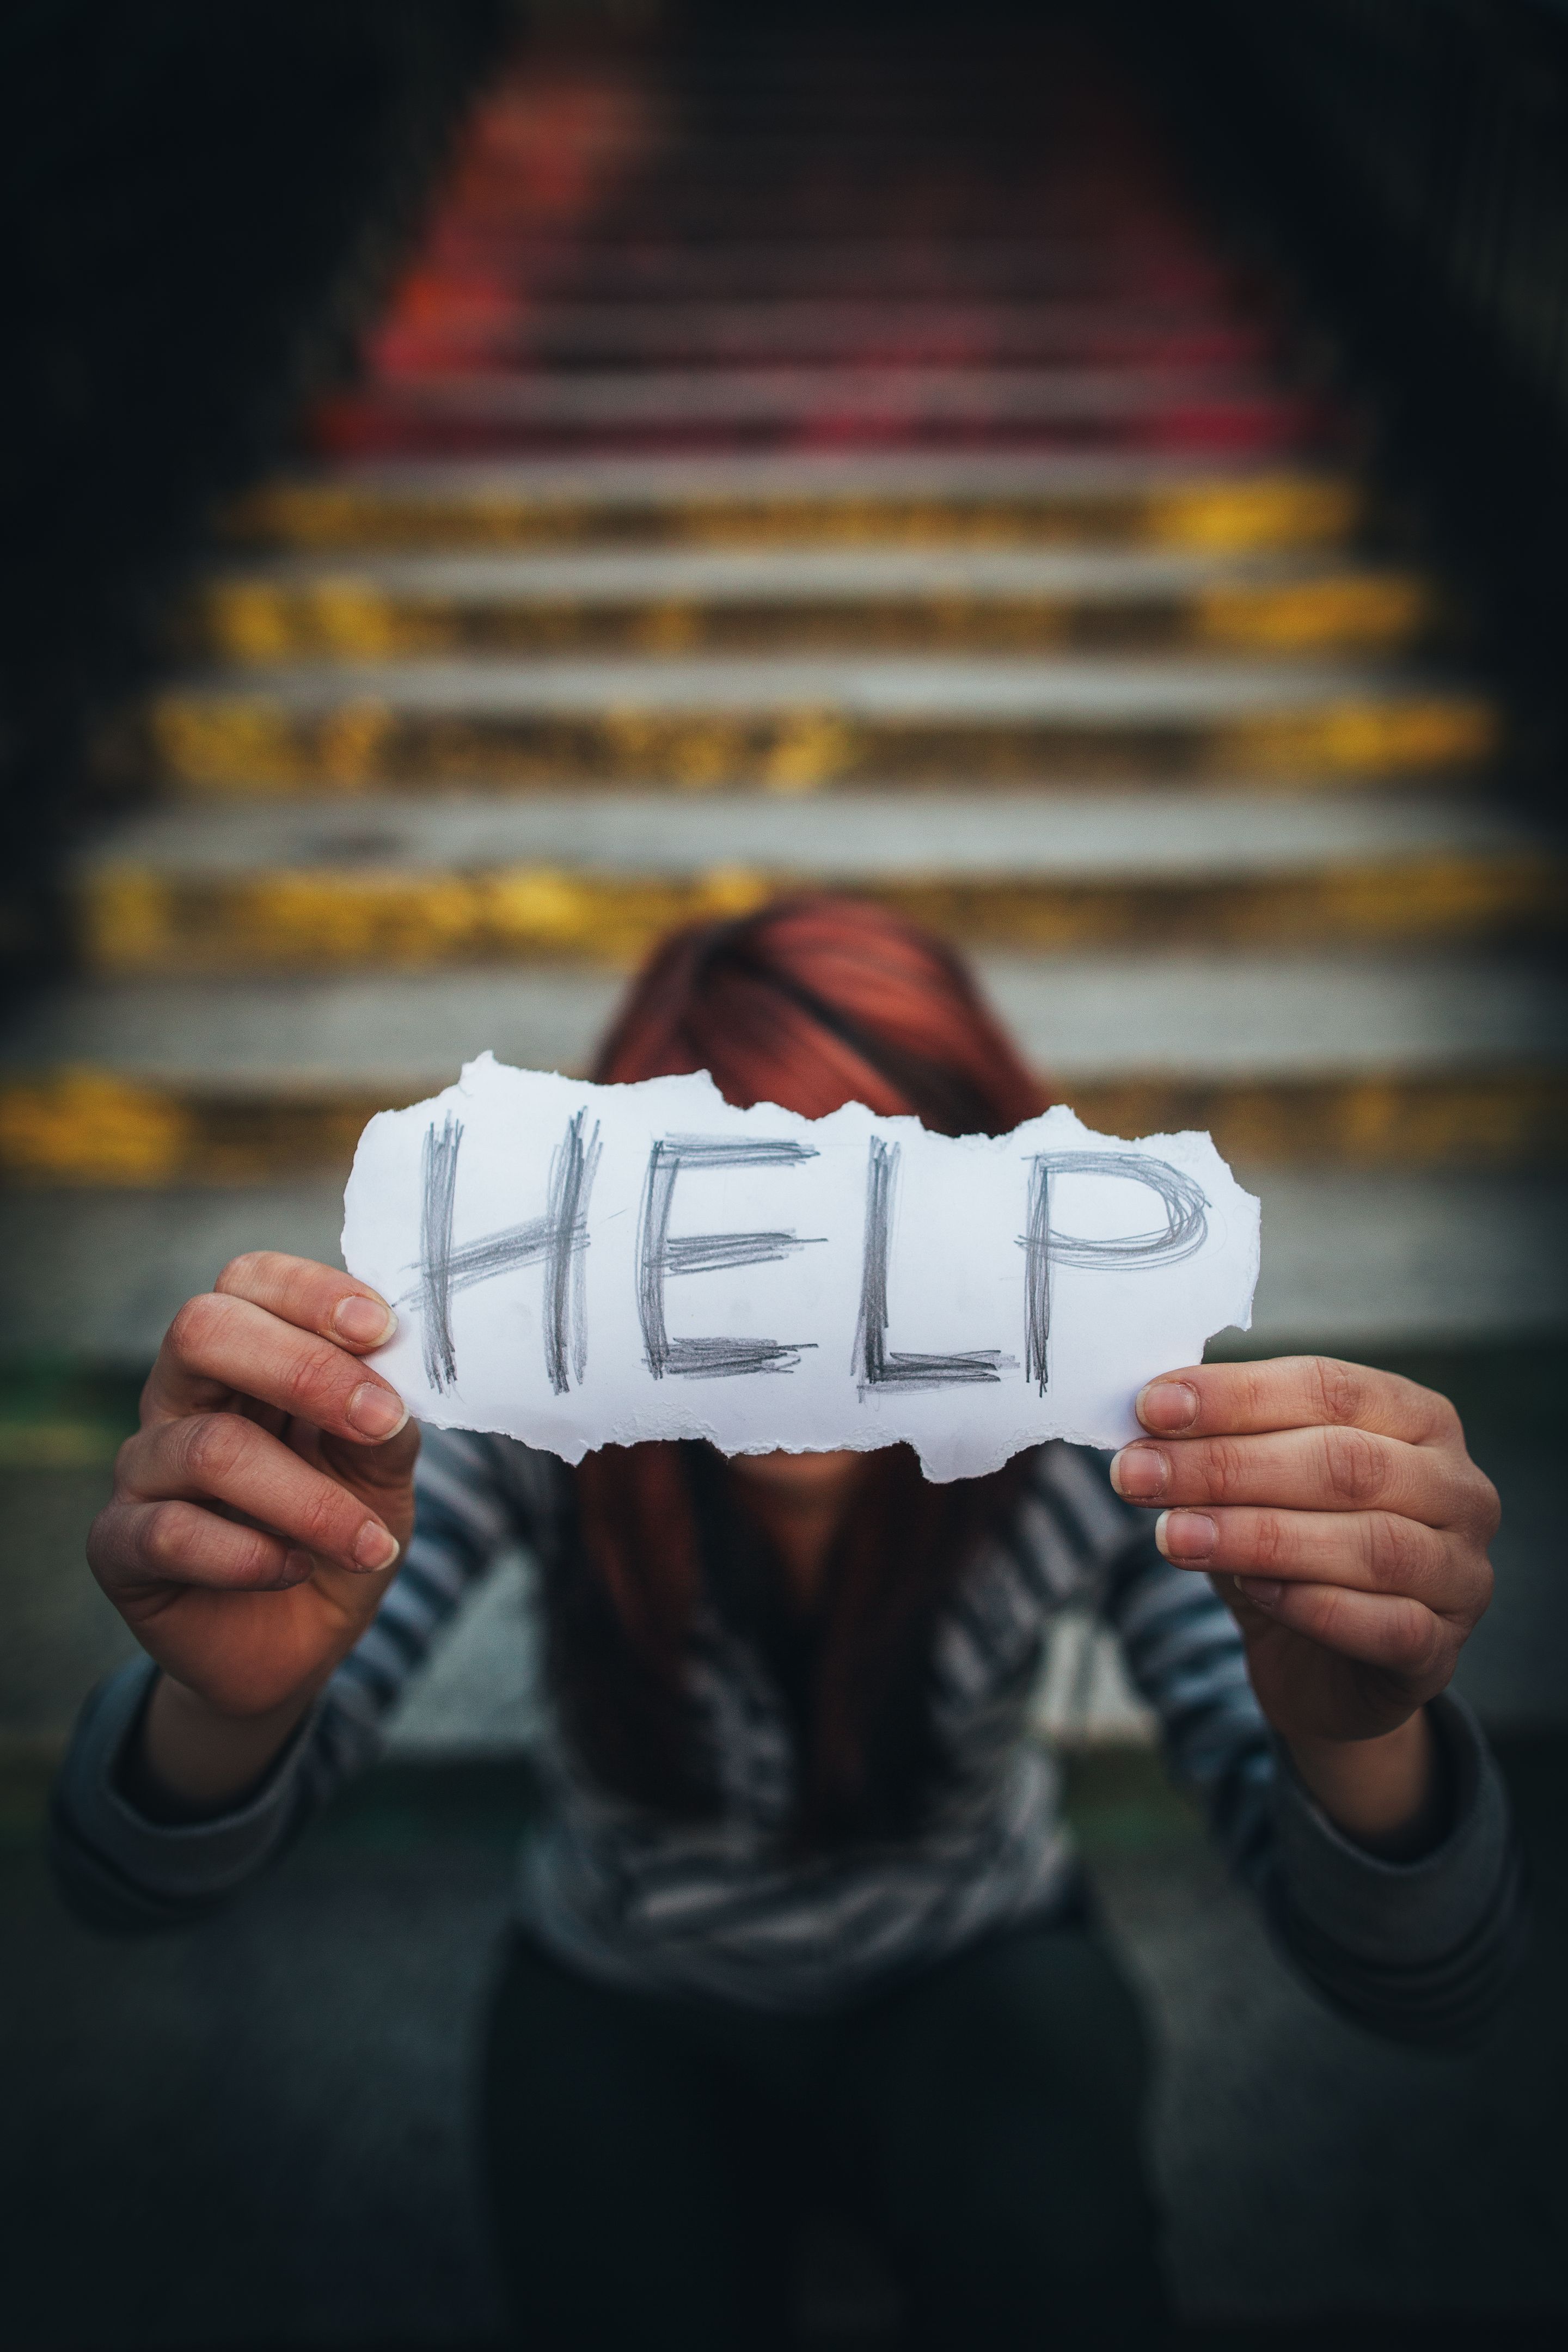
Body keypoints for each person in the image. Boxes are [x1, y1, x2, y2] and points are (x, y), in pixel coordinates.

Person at [53, 897, 1522, 2351]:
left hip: (977, 1960)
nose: (792, 1303)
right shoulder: (527, 1420)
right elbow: (126, 1888)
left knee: (1056, 2242)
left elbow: (1425, 1981)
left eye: (867, 1207)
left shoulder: (1098, 1444)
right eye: (711, 1214)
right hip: (620, 1981)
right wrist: (230, 1709)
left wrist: (1363, 1736)